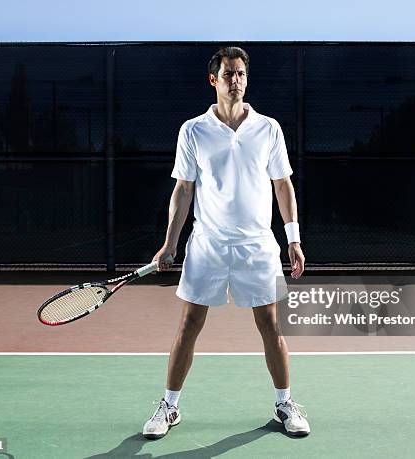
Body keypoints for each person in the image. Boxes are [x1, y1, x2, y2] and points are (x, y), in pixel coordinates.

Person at [142, 46, 310, 439]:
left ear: (246, 80)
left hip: (257, 245)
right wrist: (170, 244)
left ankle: (285, 403)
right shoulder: (193, 130)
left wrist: (293, 239)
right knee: (189, 324)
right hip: (208, 245)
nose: (235, 80)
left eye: (240, 74)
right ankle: (169, 407)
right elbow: (183, 191)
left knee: (270, 326)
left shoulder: (268, 128)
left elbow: (282, 185)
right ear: (213, 80)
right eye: (228, 74)